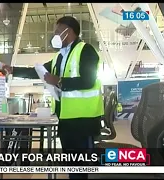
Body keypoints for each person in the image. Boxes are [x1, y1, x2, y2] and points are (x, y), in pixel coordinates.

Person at [13, 16, 104, 179]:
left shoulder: (86, 50)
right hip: (66, 117)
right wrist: (12, 70)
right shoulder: (60, 56)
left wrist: (60, 80)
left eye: (57, 31)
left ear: (67, 31)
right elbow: (39, 72)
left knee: (79, 164)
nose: (54, 34)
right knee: (72, 162)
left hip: (83, 119)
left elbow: (88, 80)